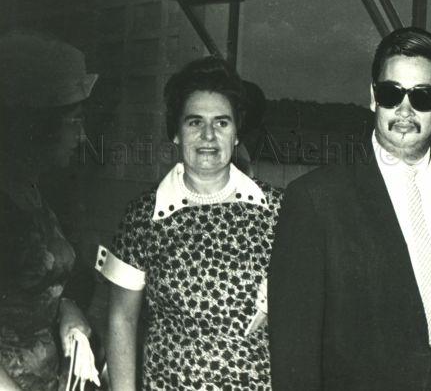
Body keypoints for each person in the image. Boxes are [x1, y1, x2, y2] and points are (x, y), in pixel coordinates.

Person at [269, 27, 431, 390]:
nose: (403, 110)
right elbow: (294, 355)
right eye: (390, 93)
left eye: (423, 97)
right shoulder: (315, 199)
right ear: (373, 97)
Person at [97, 56, 282, 390]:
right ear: (176, 134)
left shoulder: (278, 210)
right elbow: (121, 320)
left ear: (237, 134)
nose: (208, 135)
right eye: (195, 122)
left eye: (222, 123)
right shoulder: (142, 217)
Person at [0, 32, 99, 390]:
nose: (83, 136)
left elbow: (37, 286)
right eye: (75, 121)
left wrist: (67, 309)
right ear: (38, 125)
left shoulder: (34, 193)